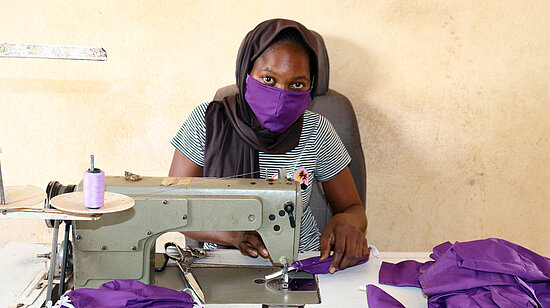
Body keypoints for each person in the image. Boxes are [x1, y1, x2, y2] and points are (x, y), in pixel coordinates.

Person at [169, 19, 368, 273]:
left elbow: (353, 208)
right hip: (223, 263)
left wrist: (346, 222)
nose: (281, 95)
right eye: (268, 79)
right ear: (246, 72)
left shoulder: (317, 130)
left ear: (311, 86)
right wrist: (232, 233)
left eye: (296, 84)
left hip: (300, 262)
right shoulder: (206, 123)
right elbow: (173, 208)